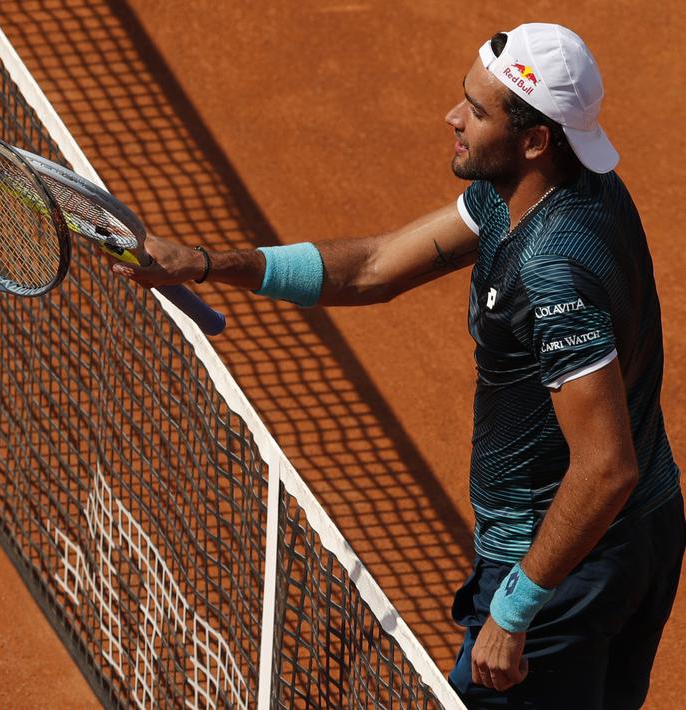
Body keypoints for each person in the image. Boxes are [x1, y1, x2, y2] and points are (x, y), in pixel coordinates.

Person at [111, 23, 684, 709]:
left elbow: (603, 467)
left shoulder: (551, 270)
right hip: (634, 532)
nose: (453, 118)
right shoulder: (559, 189)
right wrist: (207, 263)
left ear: (534, 140)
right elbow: (375, 268)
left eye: (475, 111)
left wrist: (515, 607)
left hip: (564, 561)